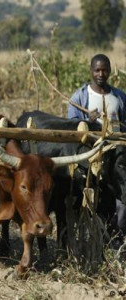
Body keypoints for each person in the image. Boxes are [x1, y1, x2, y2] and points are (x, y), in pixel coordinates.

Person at [68, 53, 126, 244]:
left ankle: (117, 240)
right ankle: (94, 239)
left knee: (118, 198)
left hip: (118, 156)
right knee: (96, 199)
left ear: (110, 71)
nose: (101, 73)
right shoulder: (80, 97)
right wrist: (86, 120)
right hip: (91, 157)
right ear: (91, 71)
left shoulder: (119, 96)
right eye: (97, 70)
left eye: (104, 70)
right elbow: (71, 127)